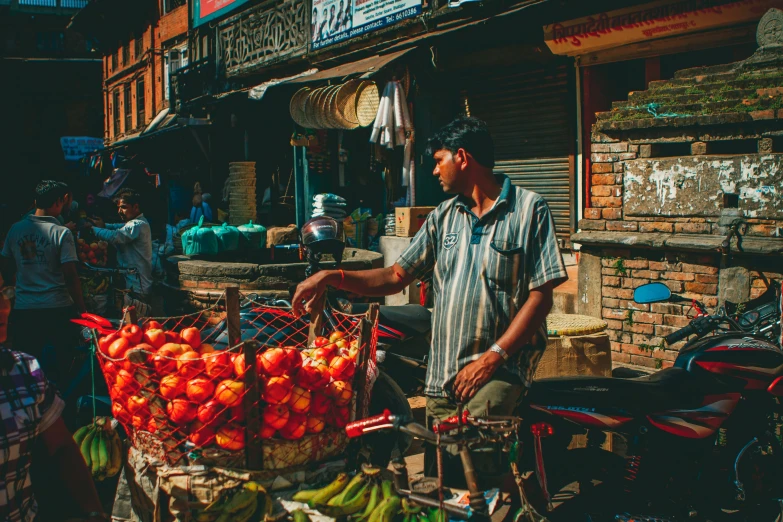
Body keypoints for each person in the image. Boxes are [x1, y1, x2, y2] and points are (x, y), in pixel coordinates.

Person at [293, 117, 567, 484]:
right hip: (443, 378)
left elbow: (541, 296)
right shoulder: (443, 217)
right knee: (447, 485)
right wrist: (332, 277)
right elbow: (395, 276)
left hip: (497, 371)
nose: (435, 171)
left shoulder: (529, 210)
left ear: (463, 157)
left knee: (480, 478)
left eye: (439, 160)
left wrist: (491, 360)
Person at [0, 271, 107, 522]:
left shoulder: (25, 371)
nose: (4, 305)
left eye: (3, 292)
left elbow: (61, 446)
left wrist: (93, 512)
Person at [1, 181, 87, 381]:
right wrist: (82, 309)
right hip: (57, 308)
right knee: (59, 368)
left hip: (25, 309)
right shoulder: (61, 232)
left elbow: (5, 264)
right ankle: (56, 407)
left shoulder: (16, 229)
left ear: (35, 202)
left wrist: (18, 284)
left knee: (27, 367)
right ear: (58, 202)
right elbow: (70, 275)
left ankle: (32, 408)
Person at [87, 189, 153, 299]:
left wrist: (92, 229)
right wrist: (103, 225)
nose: (119, 211)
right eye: (118, 207)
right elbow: (117, 227)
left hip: (138, 287)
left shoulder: (138, 224)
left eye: (123, 207)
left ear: (135, 207)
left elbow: (115, 236)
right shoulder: (135, 223)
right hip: (134, 283)